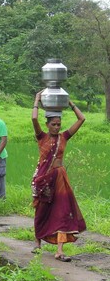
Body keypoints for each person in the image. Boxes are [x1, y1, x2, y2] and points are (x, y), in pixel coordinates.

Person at [31, 92, 86, 262]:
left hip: (60, 178)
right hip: (43, 179)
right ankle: (37, 243)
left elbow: (81, 119)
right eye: (53, 124)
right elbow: (34, 119)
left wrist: (70, 102)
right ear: (47, 125)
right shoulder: (42, 137)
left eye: (58, 124)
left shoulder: (64, 137)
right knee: (41, 210)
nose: (56, 127)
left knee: (62, 211)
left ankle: (59, 250)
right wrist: (36, 100)